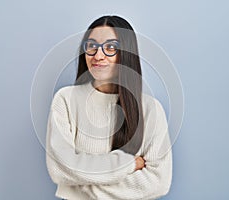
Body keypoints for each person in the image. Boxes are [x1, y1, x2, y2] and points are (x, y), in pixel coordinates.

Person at [46, 15, 172, 200]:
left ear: (126, 53)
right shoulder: (65, 99)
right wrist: (128, 165)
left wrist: (79, 186)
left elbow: (158, 183)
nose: (98, 55)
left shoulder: (150, 109)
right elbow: (59, 169)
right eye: (92, 46)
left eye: (111, 47)